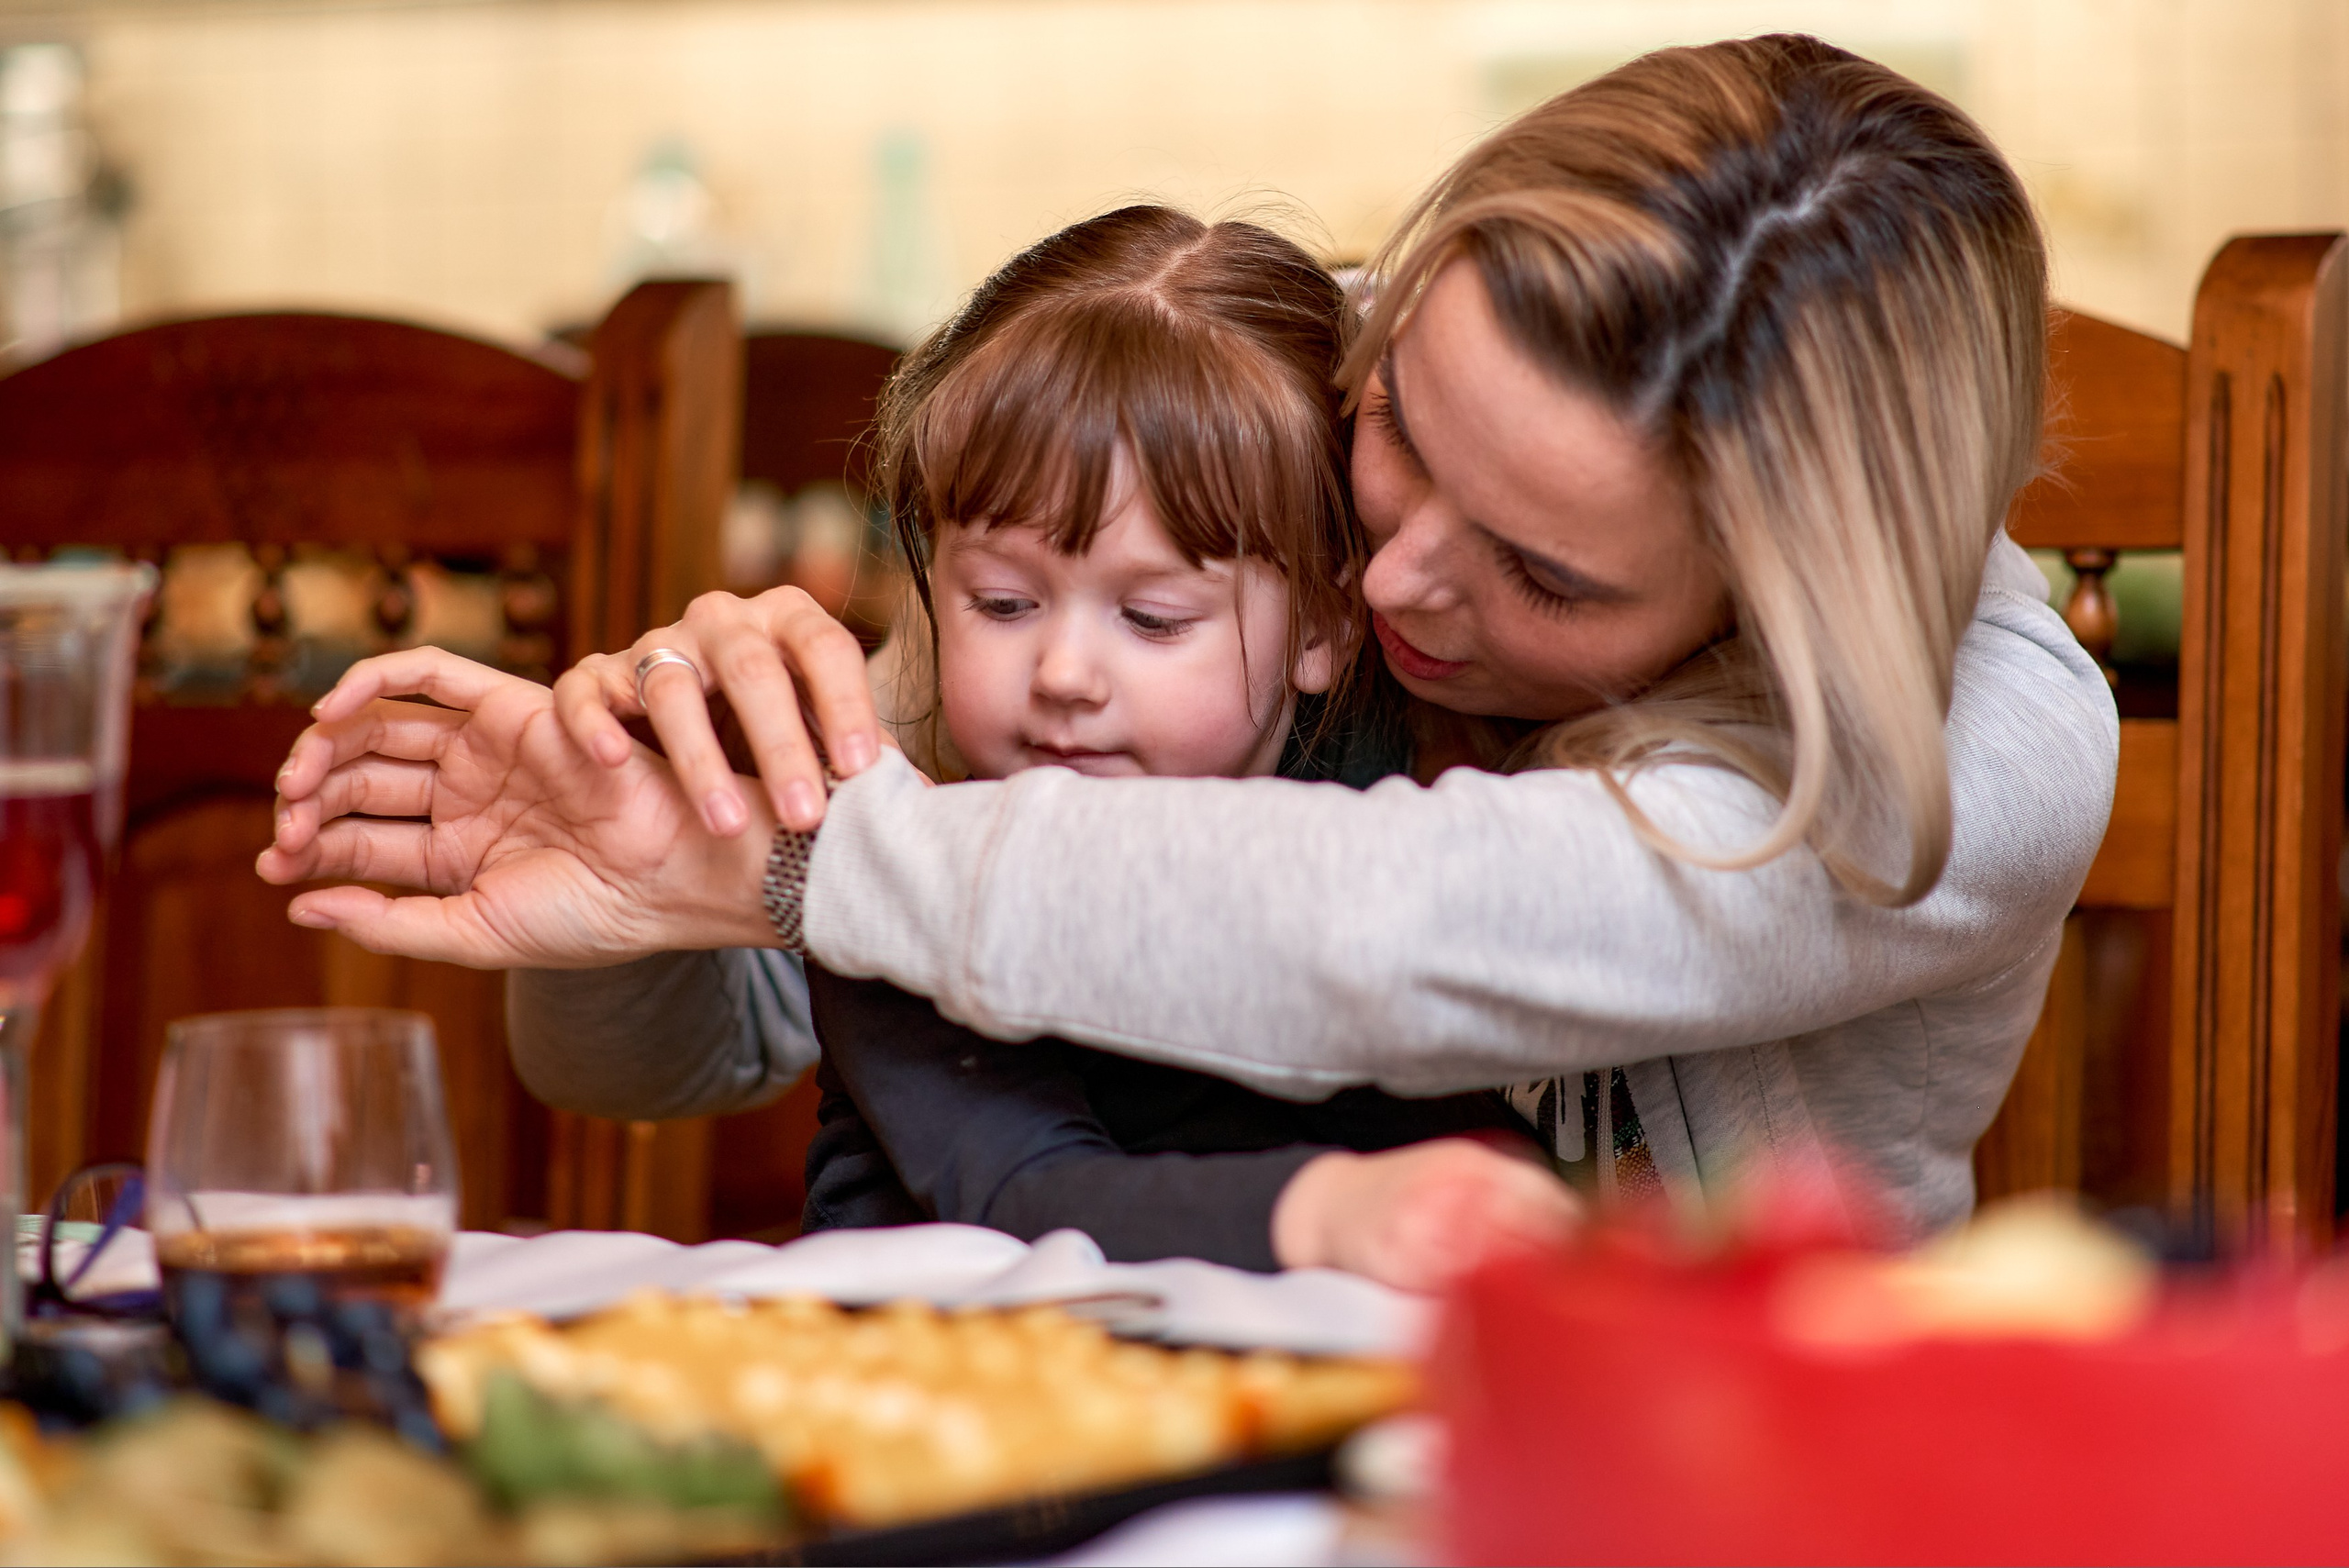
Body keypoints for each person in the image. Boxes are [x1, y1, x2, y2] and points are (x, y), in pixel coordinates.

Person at [258, 36, 2118, 1272]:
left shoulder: (1964, 752)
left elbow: (1383, 930)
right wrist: (660, 786)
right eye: (1390, 426)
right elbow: (715, 1001)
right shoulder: (1240, 475)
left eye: (1540, 574)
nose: (1391, 574)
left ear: (1780, 594)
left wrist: (803, 855)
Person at [797, 203, 1571, 1275]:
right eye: (1005, 603)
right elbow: (1024, 1193)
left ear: (1322, 626)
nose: (1063, 675)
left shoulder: (1359, 860)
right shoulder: (907, 873)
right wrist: (1332, 1210)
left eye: (1152, 619)